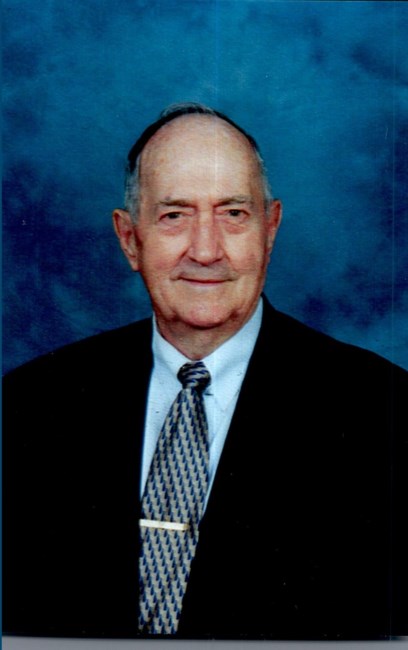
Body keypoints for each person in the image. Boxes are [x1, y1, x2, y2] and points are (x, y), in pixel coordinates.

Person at [3, 103, 407, 640]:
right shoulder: (26, 406)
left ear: (270, 229)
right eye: (174, 215)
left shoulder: (386, 410)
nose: (206, 250)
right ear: (130, 239)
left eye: (233, 213)